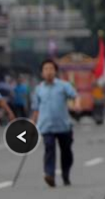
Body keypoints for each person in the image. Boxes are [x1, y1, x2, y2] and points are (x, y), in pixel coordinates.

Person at [30, 58, 78, 187]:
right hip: (46, 126)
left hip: (63, 125)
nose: (49, 72)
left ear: (55, 71)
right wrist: (32, 124)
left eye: (51, 69)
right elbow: (35, 108)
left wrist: (74, 105)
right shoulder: (39, 89)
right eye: (46, 69)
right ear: (42, 73)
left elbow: (73, 96)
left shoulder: (64, 85)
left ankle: (65, 174)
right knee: (49, 149)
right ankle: (49, 174)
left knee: (66, 152)